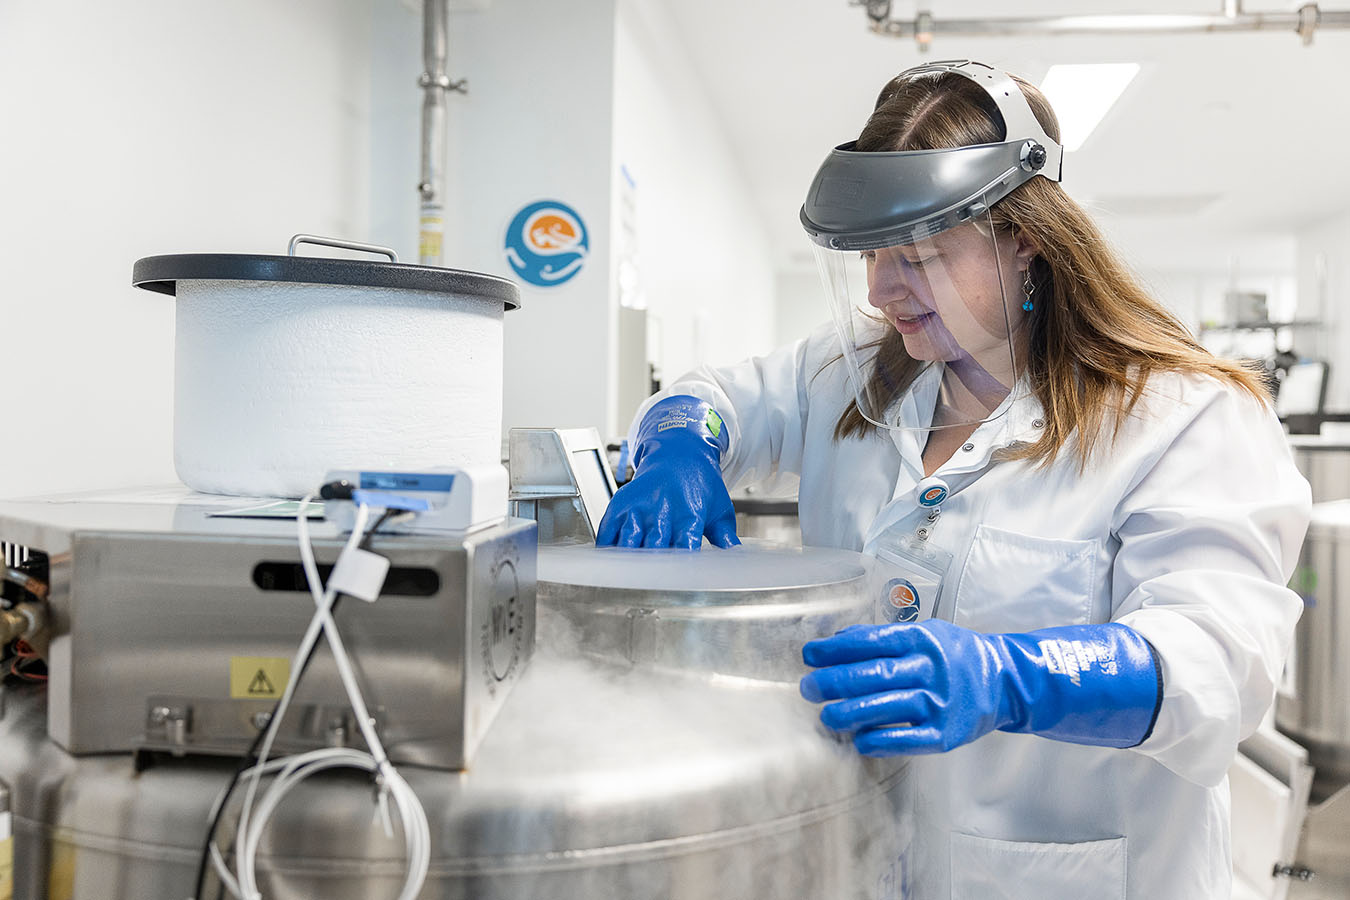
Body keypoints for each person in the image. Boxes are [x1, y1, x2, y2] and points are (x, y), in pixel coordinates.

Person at [595, 59, 1310, 899]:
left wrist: (1011, 678)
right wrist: (680, 444)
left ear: (1027, 239)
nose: (883, 289)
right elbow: (705, 397)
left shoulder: (1183, 415)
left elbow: (1217, 665)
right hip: (865, 864)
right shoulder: (851, 371)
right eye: (873, 255)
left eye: (923, 255)